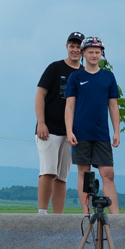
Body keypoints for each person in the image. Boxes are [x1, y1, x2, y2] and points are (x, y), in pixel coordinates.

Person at [65, 36, 120, 214]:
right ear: (83, 53)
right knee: (84, 172)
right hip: (81, 133)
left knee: (108, 172)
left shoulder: (108, 77)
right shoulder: (76, 77)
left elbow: (113, 106)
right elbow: (70, 106)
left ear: (101, 54)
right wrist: (69, 130)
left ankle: (117, 218)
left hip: (101, 133)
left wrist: (117, 131)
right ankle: (87, 214)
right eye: (91, 52)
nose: (94, 55)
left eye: (97, 52)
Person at [34, 32, 84, 214]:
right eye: (72, 46)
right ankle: (42, 213)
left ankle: (58, 218)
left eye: (79, 47)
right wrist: (41, 122)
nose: (75, 50)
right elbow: (40, 95)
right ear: (67, 46)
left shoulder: (84, 74)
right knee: (48, 171)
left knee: (62, 176)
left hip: (71, 132)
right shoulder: (55, 68)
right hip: (49, 129)